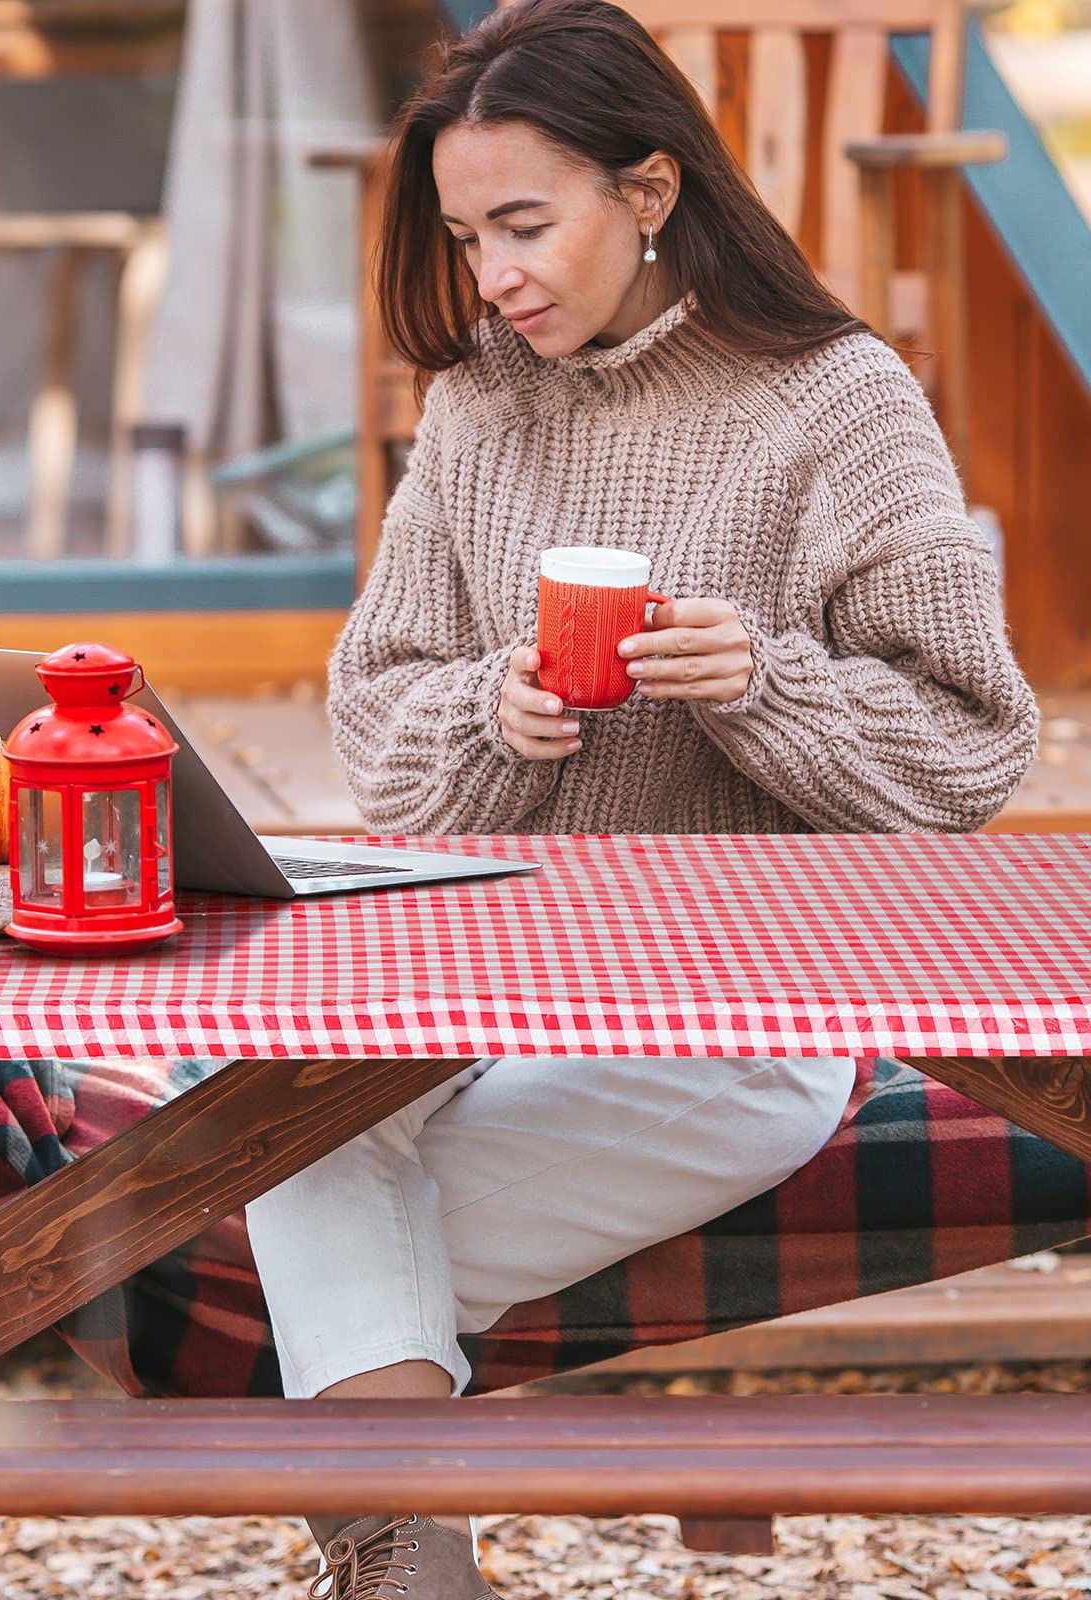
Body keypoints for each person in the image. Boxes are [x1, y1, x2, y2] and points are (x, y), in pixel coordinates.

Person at [243, 2, 1039, 1596]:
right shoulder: (479, 405)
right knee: (274, 1101)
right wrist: (497, 707)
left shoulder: (839, 402)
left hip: (736, 1017)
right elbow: (381, 726)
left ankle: (398, 1554)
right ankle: (413, 1556)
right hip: (476, 993)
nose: (495, 277)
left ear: (654, 191)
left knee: (260, 1184)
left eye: (525, 225)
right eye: (470, 237)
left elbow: (970, 745)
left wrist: (763, 682)